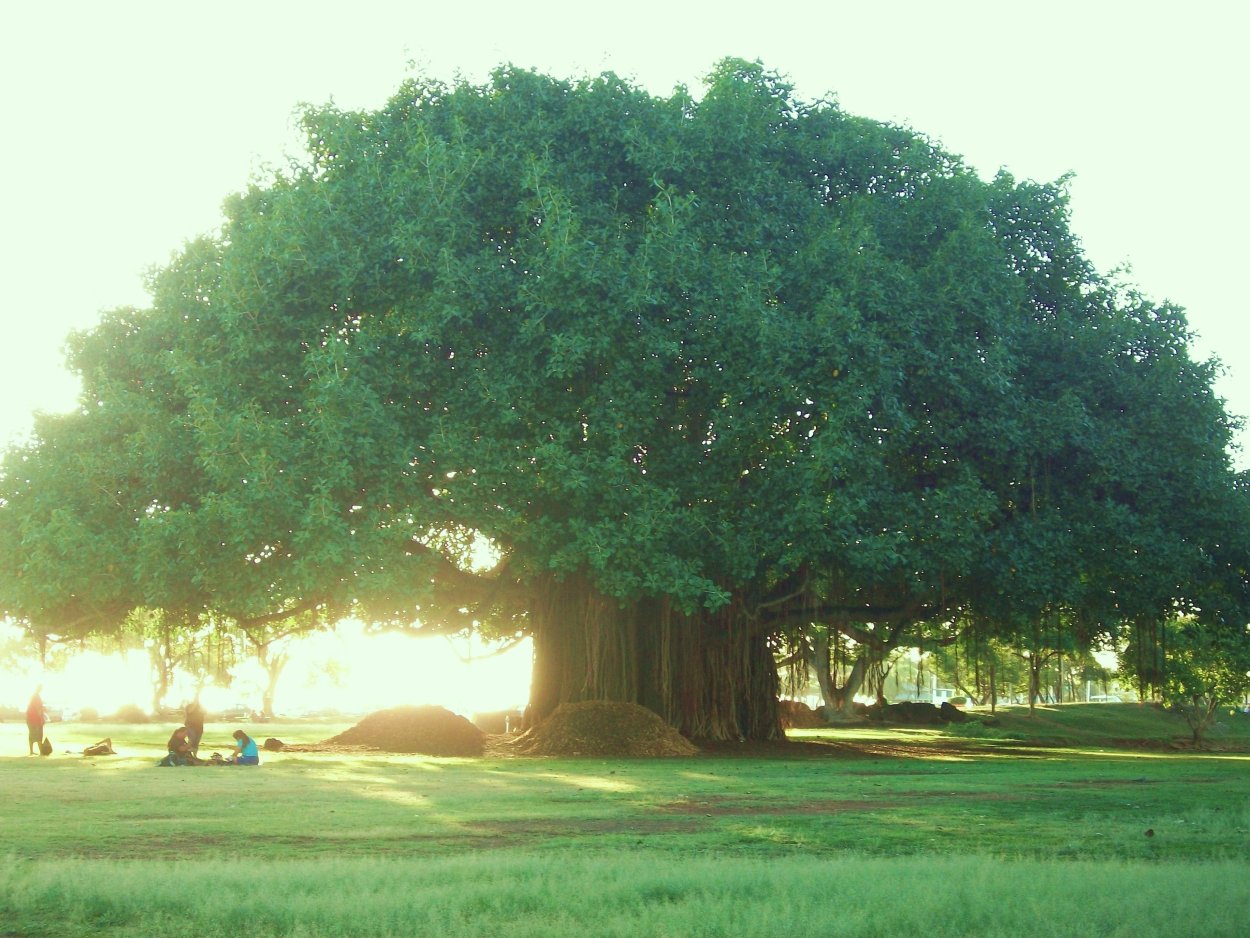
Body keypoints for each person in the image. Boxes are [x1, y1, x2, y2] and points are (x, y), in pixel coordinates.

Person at [26, 686, 46, 756]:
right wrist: (42, 718)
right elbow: (38, 709)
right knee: (39, 734)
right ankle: (41, 752)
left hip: (29, 718)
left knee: (31, 734)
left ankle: (31, 751)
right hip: (35, 719)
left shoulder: (33, 696)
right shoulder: (37, 697)